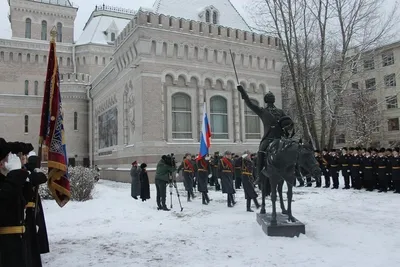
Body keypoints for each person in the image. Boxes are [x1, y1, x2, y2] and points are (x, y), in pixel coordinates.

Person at [237, 85, 294, 183]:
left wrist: (288, 127)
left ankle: (295, 171)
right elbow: (250, 104)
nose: (271, 98)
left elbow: (288, 122)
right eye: (269, 97)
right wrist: (243, 93)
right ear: (266, 100)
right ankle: (259, 176)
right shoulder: (263, 111)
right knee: (261, 152)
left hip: (280, 137)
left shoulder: (280, 111)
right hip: (269, 138)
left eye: (272, 97)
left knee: (293, 149)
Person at [0, 138, 31, 267]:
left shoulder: (6, 180)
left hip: (13, 243)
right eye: (5, 158)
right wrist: (15, 175)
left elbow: (22, 200)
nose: (8, 161)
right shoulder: (8, 182)